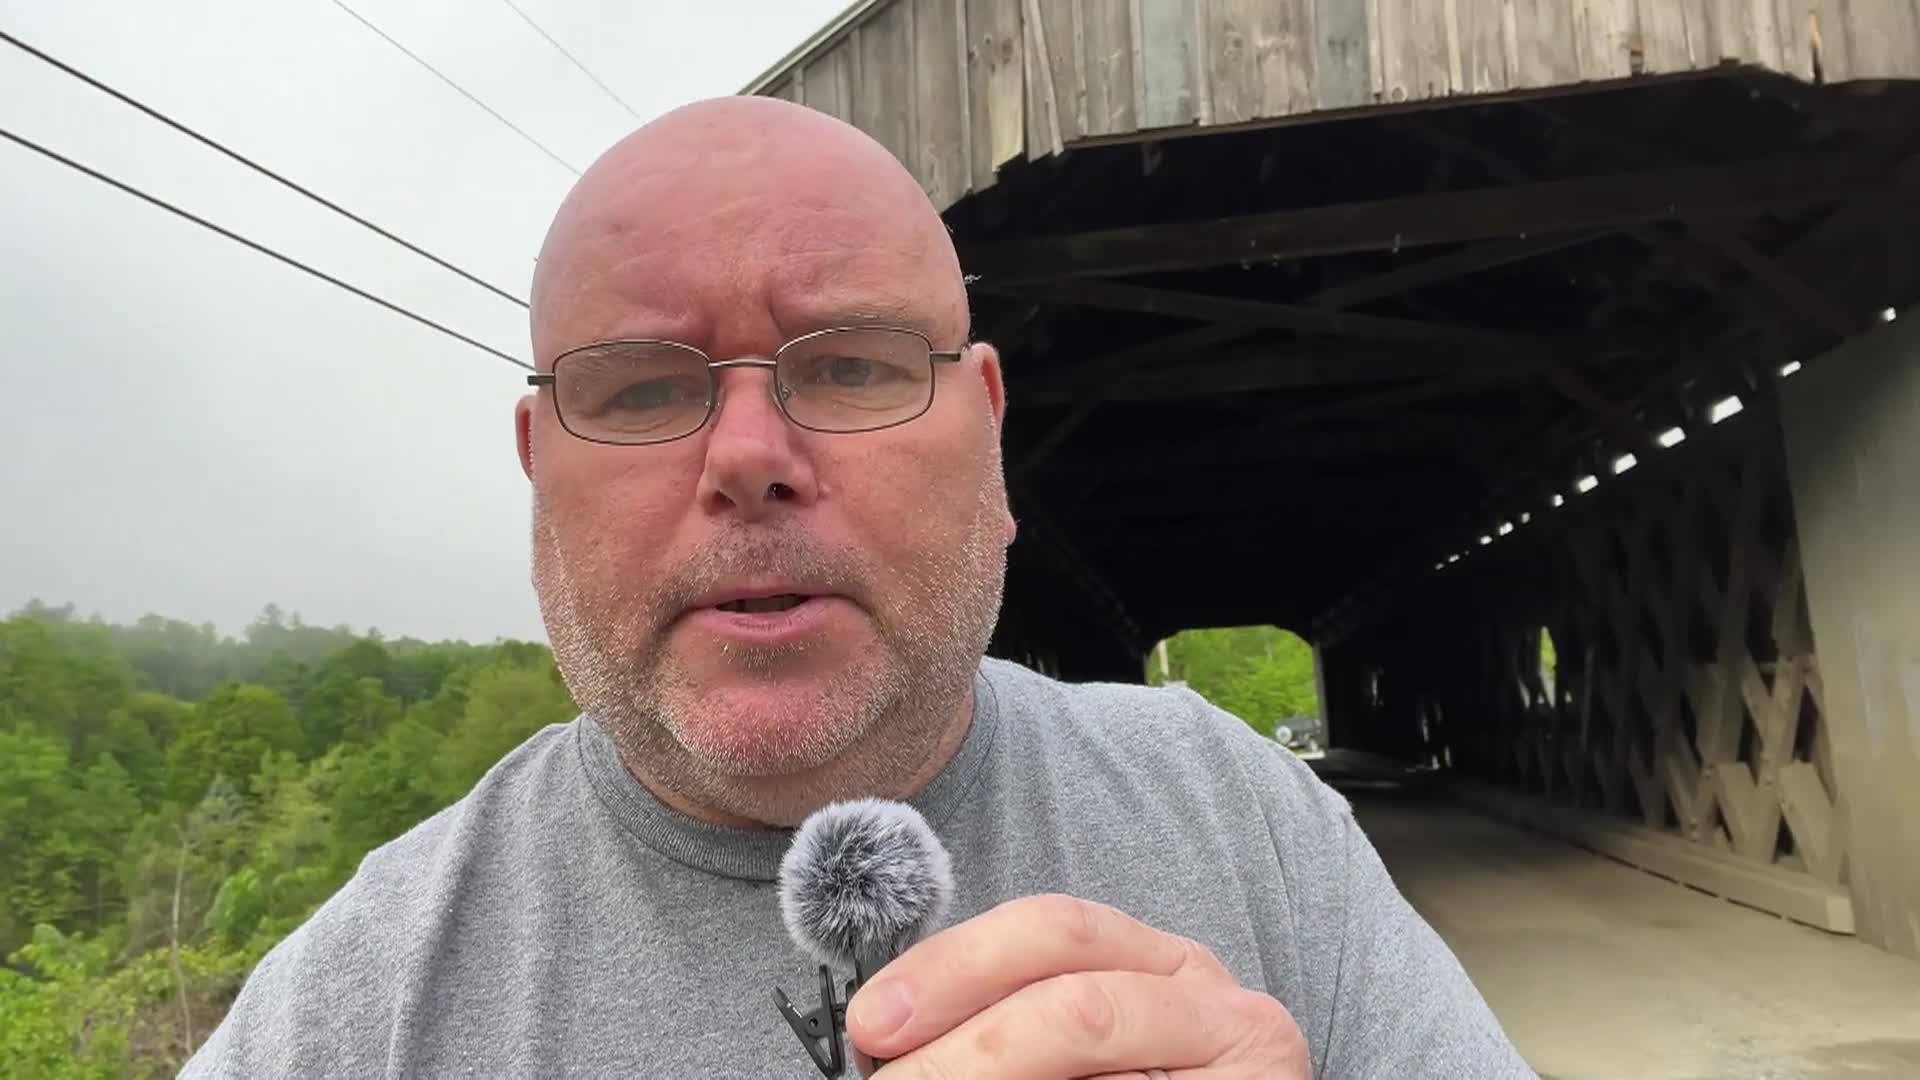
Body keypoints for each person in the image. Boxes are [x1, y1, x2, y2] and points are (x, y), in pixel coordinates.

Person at [183, 95, 1533, 1078]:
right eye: (643, 388)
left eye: (851, 366)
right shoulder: (349, 1013)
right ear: (541, 476)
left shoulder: (1242, 822)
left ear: (990, 440)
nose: (751, 459)